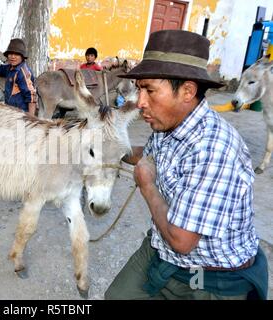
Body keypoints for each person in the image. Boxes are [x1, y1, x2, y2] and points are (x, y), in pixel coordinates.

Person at [105, 30, 268, 300]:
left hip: (211, 276)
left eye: (149, 90)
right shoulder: (167, 123)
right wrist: (109, 150)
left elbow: (182, 241)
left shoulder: (213, 149)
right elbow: (149, 154)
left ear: (187, 91)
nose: (140, 102)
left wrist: (146, 186)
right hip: (164, 249)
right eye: (139, 88)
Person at [0, 38, 37, 116]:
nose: (12, 57)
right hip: (10, 111)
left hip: (21, 114)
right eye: (10, 54)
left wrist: (31, 117)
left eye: (16, 54)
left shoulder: (23, 73)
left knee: (20, 128)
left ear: (22, 56)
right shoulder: (9, 67)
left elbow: (31, 95)